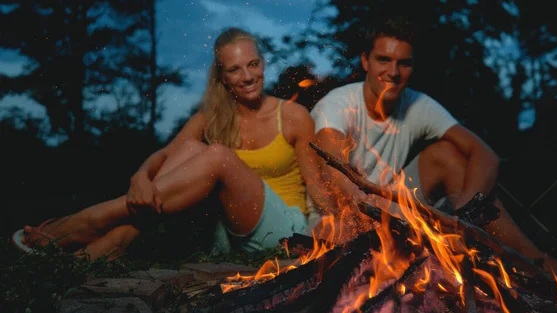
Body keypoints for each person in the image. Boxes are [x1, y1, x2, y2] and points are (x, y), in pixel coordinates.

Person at [12, 27, 324, 260]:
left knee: (217, 156)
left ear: (263, 65)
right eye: (234, 69)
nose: (247, 76)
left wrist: (332, 230)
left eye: (253, 64)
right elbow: (166, 155)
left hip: (285, 231)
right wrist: (139, 178)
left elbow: (318, 188)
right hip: (230, 234)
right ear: (223, 78)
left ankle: (88, 222)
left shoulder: (292, 115)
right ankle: (93, 255)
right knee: (189, 149)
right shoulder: (212, 118)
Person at [310, 16, 557, 273]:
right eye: (383, 60)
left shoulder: (416, 103)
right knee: (353, 212)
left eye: (404, 63)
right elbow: (334, 172)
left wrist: (461, 220)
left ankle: (536, 261)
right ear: (365, 61)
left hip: (391, 203)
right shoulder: (338, 103)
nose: (393, 72)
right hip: (341, 216)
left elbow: (485, 155)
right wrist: (373, 213)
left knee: (447, 156)